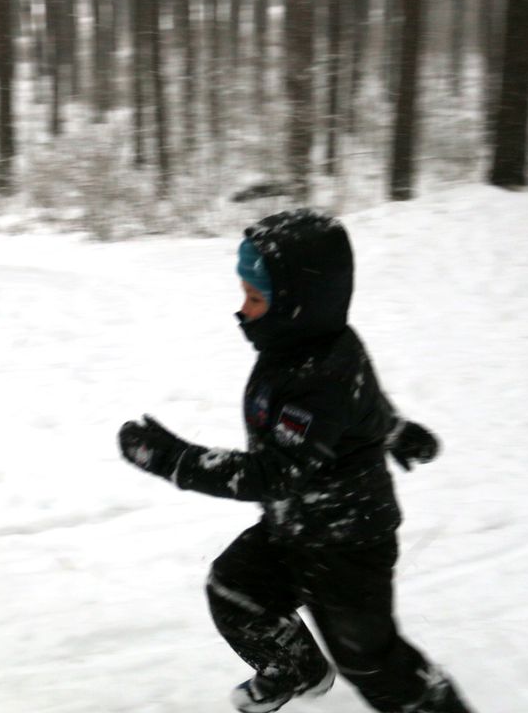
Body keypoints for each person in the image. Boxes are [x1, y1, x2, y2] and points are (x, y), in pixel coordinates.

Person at [116, 210, 474, 713]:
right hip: (295, 526)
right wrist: (394, 430)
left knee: (372, 662)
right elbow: (364, 400)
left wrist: (175, 460)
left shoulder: (318, 373)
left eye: (256, 299)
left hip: (347, 543)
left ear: (298, 306)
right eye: (245, 295)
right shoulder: (302, 346)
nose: (244, 311)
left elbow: (274, 473)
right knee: (234, 591)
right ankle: (296, 667)